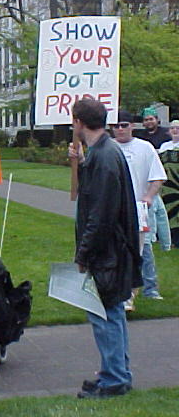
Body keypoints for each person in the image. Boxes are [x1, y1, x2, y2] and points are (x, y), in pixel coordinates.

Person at [69, 99, 141, 399]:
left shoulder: (105, 157)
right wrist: (83, 164)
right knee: (111, 313)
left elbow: (101, 213)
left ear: (79, 123)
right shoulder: (103, 154)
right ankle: (115, 372)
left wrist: (84, 254)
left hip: (107, 252)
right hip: (111, 248)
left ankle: (114, 378)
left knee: (105, 315)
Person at [112, 110, 167, 305]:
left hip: (137, 209)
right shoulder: (107, 148)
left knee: (139, 251)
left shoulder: (145, 148)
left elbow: (157, 177)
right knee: (115, 253)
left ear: (132, 126)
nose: (120, 129)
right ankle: (119, 292)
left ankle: (136, 294)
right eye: (116, 125)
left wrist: (148, 197)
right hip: (112, 210)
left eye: (124, 125)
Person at [159, 120, 179, 247]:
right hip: (167, 187)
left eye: (178, 128)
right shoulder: (164, 146)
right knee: (169, 212)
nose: (175, 130)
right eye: (172, 128)